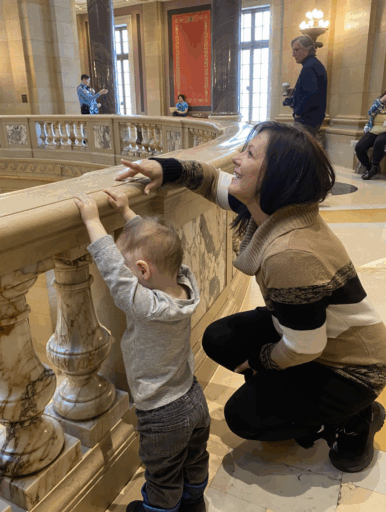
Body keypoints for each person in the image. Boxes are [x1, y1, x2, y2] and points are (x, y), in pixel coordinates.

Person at [116, 121, 386, 475]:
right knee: (219, 338)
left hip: (352, 367)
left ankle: (354, 417)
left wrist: (261, 363)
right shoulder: (274, 209)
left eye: (249, 153)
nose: (236, 160)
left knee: (242, 418)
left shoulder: (291, 253)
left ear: (277, 176)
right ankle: (292, 398)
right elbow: (211, 180)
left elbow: (306, 347)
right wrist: (164, 168)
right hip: (316, 339)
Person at [74, 189, 210, 512]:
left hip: (162, 413)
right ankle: (193, 504)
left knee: (161, 476)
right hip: (193, 397)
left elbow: (114, 273)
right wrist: (127, 214)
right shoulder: (183, 283)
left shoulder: (146, 306)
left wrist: (93, 221)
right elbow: (156, 250)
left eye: (132, 269)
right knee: (195, 458)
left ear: (142, 271)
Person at [283, 36, 327, 137]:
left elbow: (311, 94)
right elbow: (309, 91)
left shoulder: (309, 67)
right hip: (313, 117)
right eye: (293, 51)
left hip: (307, 119)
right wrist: (294, 94)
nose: (294, 54)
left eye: (296, 50)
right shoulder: (314, 64)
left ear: (307, 50)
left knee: (302, 149)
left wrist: (299, 112)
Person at [355, 92, 386, 180]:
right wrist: (382, 101)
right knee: (359, 147)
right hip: (374, 129)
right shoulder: (379, 101)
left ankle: (375, 166)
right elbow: (371, 112)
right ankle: (370, 168)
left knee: (379, 142)